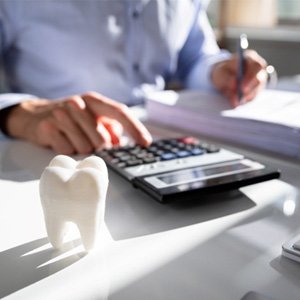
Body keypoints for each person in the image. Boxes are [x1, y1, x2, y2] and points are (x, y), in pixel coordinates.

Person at [0, 0, 268, 155]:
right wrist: (17, 114)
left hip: (163, 145)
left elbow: (192, 59)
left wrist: (217, 72)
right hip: (51, 152)